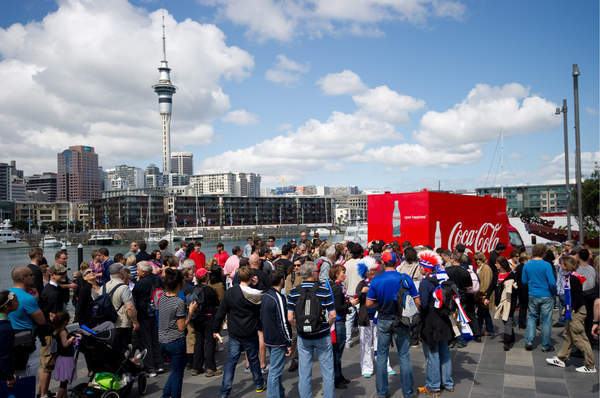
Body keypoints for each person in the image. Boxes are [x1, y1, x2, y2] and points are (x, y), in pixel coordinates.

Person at [366, 251, 419, 398]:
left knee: (382, 356)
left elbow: (369, 303)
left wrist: (381, 302)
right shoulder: (405, 278)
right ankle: (408, 393)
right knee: (404, 357)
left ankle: (382, 392)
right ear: (396, 263)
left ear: (382, 263)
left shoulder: (376, 280)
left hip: (383, 320)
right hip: (402, 321)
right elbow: (417, 302)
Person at [214, 266, 266, 398]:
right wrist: (257, 285)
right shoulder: (256, 294)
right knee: (254, 359)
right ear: (250, 278)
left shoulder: (230, 292)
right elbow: (264, 296)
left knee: (231, 361)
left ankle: (225, 392)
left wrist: (215, 328)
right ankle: (259, 384)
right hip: (250, 331)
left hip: (235, 332)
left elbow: (221, 312)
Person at [287, 262, 336, 398]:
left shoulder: (294, 291)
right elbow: (333, 315)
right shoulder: (324, 290)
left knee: (304, 372)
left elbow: (290, 318)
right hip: (322, 335)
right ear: (313, 274)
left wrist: (300, 329)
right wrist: (326, 326)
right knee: (328, 371)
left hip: (304, 337)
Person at [546, 256, 597, 373]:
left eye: (562, 264)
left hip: (576, 312)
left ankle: (590, 365)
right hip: (573, 310)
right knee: (567, 335)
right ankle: (561, 358)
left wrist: (572, 309)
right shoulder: (572, 276)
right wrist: (566, 308)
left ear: (567, 265)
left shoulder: (573, 278)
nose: (561, 266)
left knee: (580, 338)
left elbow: (578, 297)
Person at [416, 250, 454, 396]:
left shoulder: (426, 282)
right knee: (444, 352)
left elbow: (424, 304)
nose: (419, 268)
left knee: (432, 354)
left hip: (431, 323)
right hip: (444, 320)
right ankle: (448, 383)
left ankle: (433, 386)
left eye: (420, 266)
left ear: (425, 268)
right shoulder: (441, 279)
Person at [158, 268, 198, 398]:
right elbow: (182, 327)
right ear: (180, 284)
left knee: (175, 371)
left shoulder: (163, 296)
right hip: (175, 341)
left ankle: (165, 395)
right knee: (178, 373)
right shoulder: (178, 302)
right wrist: (191, 311)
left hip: (162, 339)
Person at [355, 256, 393, 377]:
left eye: (372, 269)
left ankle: (385, 365)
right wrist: (362, 292)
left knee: (381, 343)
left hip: (379, 317)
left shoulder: (377, 282)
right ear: (364, 271)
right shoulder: (361, 284)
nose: (371, 272)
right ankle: (367, 368)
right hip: (365, 319)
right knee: (365, 344)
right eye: (369, 270)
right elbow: (357, 298)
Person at [9, 267, 45, 382]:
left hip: (11, 339)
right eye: (31, 275)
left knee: (14, 375)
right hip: (28, 340)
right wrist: (36, 300)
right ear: (23, 278)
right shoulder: (28, 298)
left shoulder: (8, 294)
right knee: (28, 376)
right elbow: (41, 320)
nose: (34, 276)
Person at [39, 263, 69, 398]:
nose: (64, 275)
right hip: (50, 332)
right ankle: (44, 394)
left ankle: (43, 392)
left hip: (48, 331)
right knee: (47, 365)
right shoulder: (53, 293)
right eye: (61, 274)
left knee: (46, 365)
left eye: (64, 273)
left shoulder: (51, 289)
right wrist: (62, 331)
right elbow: (53, 316)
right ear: (52, 275)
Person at [261, 269, 292, 398]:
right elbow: (283, 322)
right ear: (281, 280)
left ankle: (280, 393)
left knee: (276, 369)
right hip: (277, 339)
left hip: (268, 337)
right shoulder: (278, 298)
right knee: (275, 371)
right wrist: (288, 341)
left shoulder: (266, 295)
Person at [328, 264, 359, 388]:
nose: (345, 275)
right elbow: (337, 307)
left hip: (337, 322)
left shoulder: (332, 286)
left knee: (337, 352)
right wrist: (350, 304)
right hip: (339, 323)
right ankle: (336, 379)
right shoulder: (337, 289)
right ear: (336, 274)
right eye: (343, 272)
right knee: (337, 353)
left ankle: (339, 376)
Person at [523, 244, 557, 352]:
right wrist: (554, 292)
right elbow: (552, 282)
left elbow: (524, 281)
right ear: (544, 253)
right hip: (546, 294)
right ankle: (545, 345)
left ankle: (529, 341)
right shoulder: (547, 265)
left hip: (533, 294)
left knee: (532, 318)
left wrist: (533, 283)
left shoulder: (527, 265)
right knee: (546, 321)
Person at [132, 261, 163, 377]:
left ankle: (150, 368)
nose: (137, 271)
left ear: (144, 271)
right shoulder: (157, 279)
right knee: (155, 340)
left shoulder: (140, 284)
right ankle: (159, 364)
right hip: (156, 312)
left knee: (145, 342)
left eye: (138, 270)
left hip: (143, 314)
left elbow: (133, 296)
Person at [101, 263, 139, 353]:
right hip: (122, 323)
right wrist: (135, 322)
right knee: (123, 349)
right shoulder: (123, 288)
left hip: (107, 323)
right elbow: (129, 307)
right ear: (122, 272)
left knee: (112, 349)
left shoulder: (103, 287)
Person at [191, 268, 222, 377]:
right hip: (208, 318)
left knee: (198, 342)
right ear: (206, 277)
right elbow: (216, 302)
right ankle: (211, 368)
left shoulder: (193, 289)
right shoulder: (209, 290)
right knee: (210, 343)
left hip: (196, 318)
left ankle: (197, 367)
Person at [446, 252, 473, 348]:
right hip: (461, 297)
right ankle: (461, 341)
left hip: (449, 298)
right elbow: (470, 286)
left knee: (449, 319)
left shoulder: (446, 270)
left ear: (452, 260)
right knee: (461, 320)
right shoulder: (465, 272)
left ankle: (450, 341)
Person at [572, 247, 598, 345]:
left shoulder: (577, 270)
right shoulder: (592, 269)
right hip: (591, 295)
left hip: (581, 296)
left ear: (578, 256)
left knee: (580, 319)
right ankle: (590, 338)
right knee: (589, 318)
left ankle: (581, 342)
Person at [52, 311, 80, 398]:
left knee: (64, 382)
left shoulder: (57, 330)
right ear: (65, 322)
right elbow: (65, 344)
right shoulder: (63, 331)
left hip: (62, 358)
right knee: (63, 384)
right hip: (66, 359)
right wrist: (72, 338)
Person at [492, 257, 518, 351]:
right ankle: (512, 336)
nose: (495, 265)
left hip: (509, 302)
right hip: (499, 302)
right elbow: (492, 286)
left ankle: (507, 342)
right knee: (505, 320)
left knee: (507, 320)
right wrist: (487, 298)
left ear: (502, 264)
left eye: (497, 263)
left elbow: (517, 288)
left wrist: (510, 286)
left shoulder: (511, 275)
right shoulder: (496, 274)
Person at [285, 257, 303, 372]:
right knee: (295, 335)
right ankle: (295, 360)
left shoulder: (307, 277)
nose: (296, 267)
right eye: (295, 265)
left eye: (298, 265)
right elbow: (288, 293)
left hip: (305, 309)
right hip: (295, 310)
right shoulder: (289, 277)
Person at [343, 243, 364, 349]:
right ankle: (364, 339)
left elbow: (344, 280)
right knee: (362, 318)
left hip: (350, 293)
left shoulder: (346, 264)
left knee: (349, 318)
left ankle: (347, 340)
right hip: (361, 294)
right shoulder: (363, 264)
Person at [0, 290, 19, 388]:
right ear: (6, 306)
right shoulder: (5, 328)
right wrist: (9, 376)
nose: (18, 302)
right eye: (16, 301)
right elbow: (4, 354)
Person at [475, 252, 496, 337]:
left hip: (484, 295)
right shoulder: (480, 267)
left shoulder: (486, 268)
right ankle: (490, 330)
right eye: (476, 259)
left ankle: (479, 330)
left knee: (481, 314)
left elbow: (487, 283)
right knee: (485, 313)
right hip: (482, 294)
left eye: (480, 259)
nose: (478, 261)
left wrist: (481, 292)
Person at [515, 252, 531, 330]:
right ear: (525, 260)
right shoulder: (526, 267)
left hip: (520, 291)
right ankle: (533, 325)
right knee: (531, 309)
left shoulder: (518, 267)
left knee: (522, 308)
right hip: (526, 290)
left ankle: (522, 325)